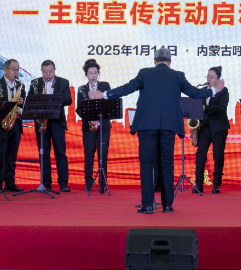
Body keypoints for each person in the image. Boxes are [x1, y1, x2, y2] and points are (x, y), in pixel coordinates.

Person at [89, 47, 220, 214]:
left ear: (154, 60)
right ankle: (167, 205)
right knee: (167, 164)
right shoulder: (178, 75)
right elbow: (194, 93)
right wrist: (214, 90)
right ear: (170, 62)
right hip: (168, 126)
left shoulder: (145, 73)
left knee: (147, 164)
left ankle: (148, 205)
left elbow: (127, 88)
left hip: (147, 125)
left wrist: (104, 94)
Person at [29, 60, 73, 192]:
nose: (48, 74)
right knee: (43, 154)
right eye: (45, 72)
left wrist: (53, 99)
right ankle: (46, 184)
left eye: (50, 71)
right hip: (41, 121)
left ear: (54, 70)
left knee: (60, 153)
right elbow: (30, 99)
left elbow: (68, 100)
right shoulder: (35, 83)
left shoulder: (63, 82)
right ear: (41, 71)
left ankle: (63, 184)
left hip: (57, 121)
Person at [0, 59, 25, 192]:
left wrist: (22, 102)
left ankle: (10, 182)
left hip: (15, 124)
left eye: (18, 69)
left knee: (12, 156)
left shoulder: (20, 85)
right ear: (6, 69)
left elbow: (24, 105)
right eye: (14, 69)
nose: (16, 72)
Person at [76, 59, 112, 193]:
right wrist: (89, 116)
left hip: (103, 125)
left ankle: (103, 182)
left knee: (103, 154)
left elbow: (110, 102)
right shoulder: (81, 89)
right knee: (89, 153)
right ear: (86, 74)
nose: (93, 76)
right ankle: (88, 182)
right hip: (88, 126)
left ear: (98, 73)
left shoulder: (105, 86)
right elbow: (79, 109)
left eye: (95, 73)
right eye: (90, 73)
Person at [194, 65, 229, 194]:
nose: (209, 79)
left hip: (219, 126)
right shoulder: (203, 91)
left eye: (212, 77)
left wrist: (205, 108)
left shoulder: (223, 91)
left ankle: (216, 184)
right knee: (200, 154)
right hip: (205, 126)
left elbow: (221, 108)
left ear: (218, 79)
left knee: (218, 155)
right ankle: (198, 183)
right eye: (208, 76)